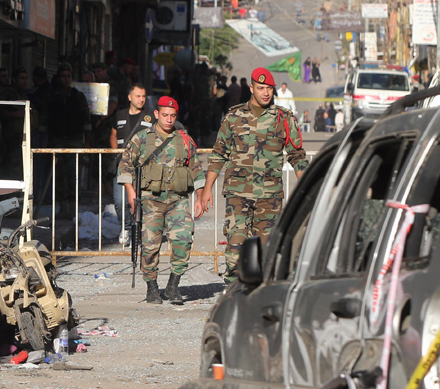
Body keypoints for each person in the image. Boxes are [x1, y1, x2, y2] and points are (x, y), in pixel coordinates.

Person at [197, 68, 308, 285]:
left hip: (270, 196)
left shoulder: (283, 119)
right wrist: (207, 188)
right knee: (236, 248)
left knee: (266, 252)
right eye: (261, 88)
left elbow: (297, 156)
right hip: (238, 193)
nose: (266, 93)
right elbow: (219, 154)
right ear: (252, 88)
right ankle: (232, 291)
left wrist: (306, 188)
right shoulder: (234, 117)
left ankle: (259, 295)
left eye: (269, 88)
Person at [118, 96, 205, 304]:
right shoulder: (142, 138)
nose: (168, 119)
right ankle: (152, 286)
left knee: (183, 240)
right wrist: (131, 192)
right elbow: (125, 165)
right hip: (150, 201)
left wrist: (200, 198)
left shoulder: (184, 140)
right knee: (150, 245)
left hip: (178, 199)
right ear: (156, 114)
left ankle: (173, 285)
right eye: (165, 115)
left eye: (173, 116)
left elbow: (196, 169)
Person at [110, 84, 154, 246]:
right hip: (122, 165)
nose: (141, 99)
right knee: (120, 200)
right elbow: (113, 135)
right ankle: (126, 227)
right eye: (138, 96)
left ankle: (140, 230)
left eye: (143, 96)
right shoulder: (119, 114)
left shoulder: (150, 117)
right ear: (129, 97)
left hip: (143, 167)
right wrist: (115, 154)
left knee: (141, 200)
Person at [46, 63, 91, 148]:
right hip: (56, 140)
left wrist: (87, 142)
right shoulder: (51, 96)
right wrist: (43, 141)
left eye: (68, 76)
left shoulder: (78, 96)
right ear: (58, 78)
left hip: (74, 140)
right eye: (63, 76)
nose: (66, 79)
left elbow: (86, 120)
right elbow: (44, 118)